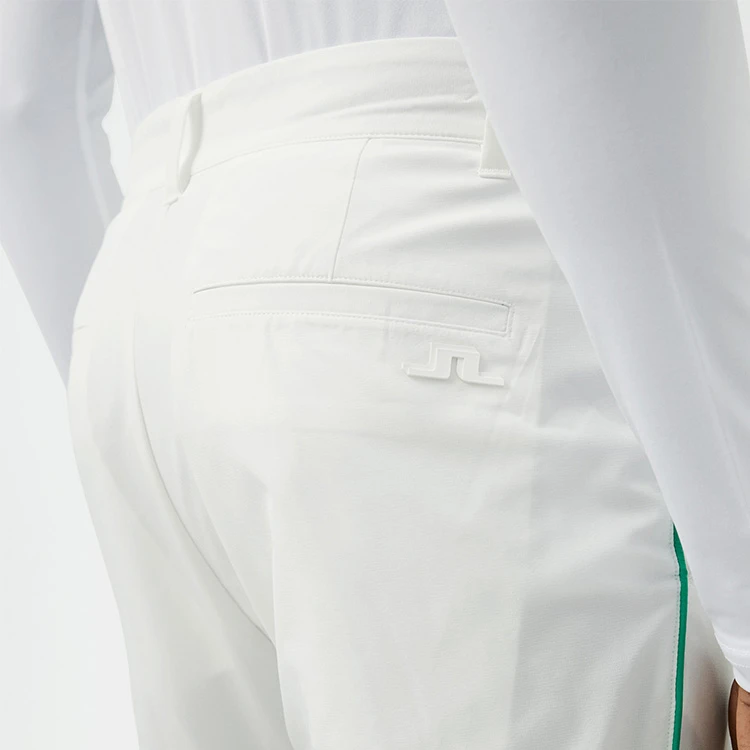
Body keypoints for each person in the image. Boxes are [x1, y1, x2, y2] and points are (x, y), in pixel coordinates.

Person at [0, 1, 748, 747]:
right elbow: (580, 33)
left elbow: (25, 100)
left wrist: (140, 371)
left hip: (148, 291)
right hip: (450, 243)